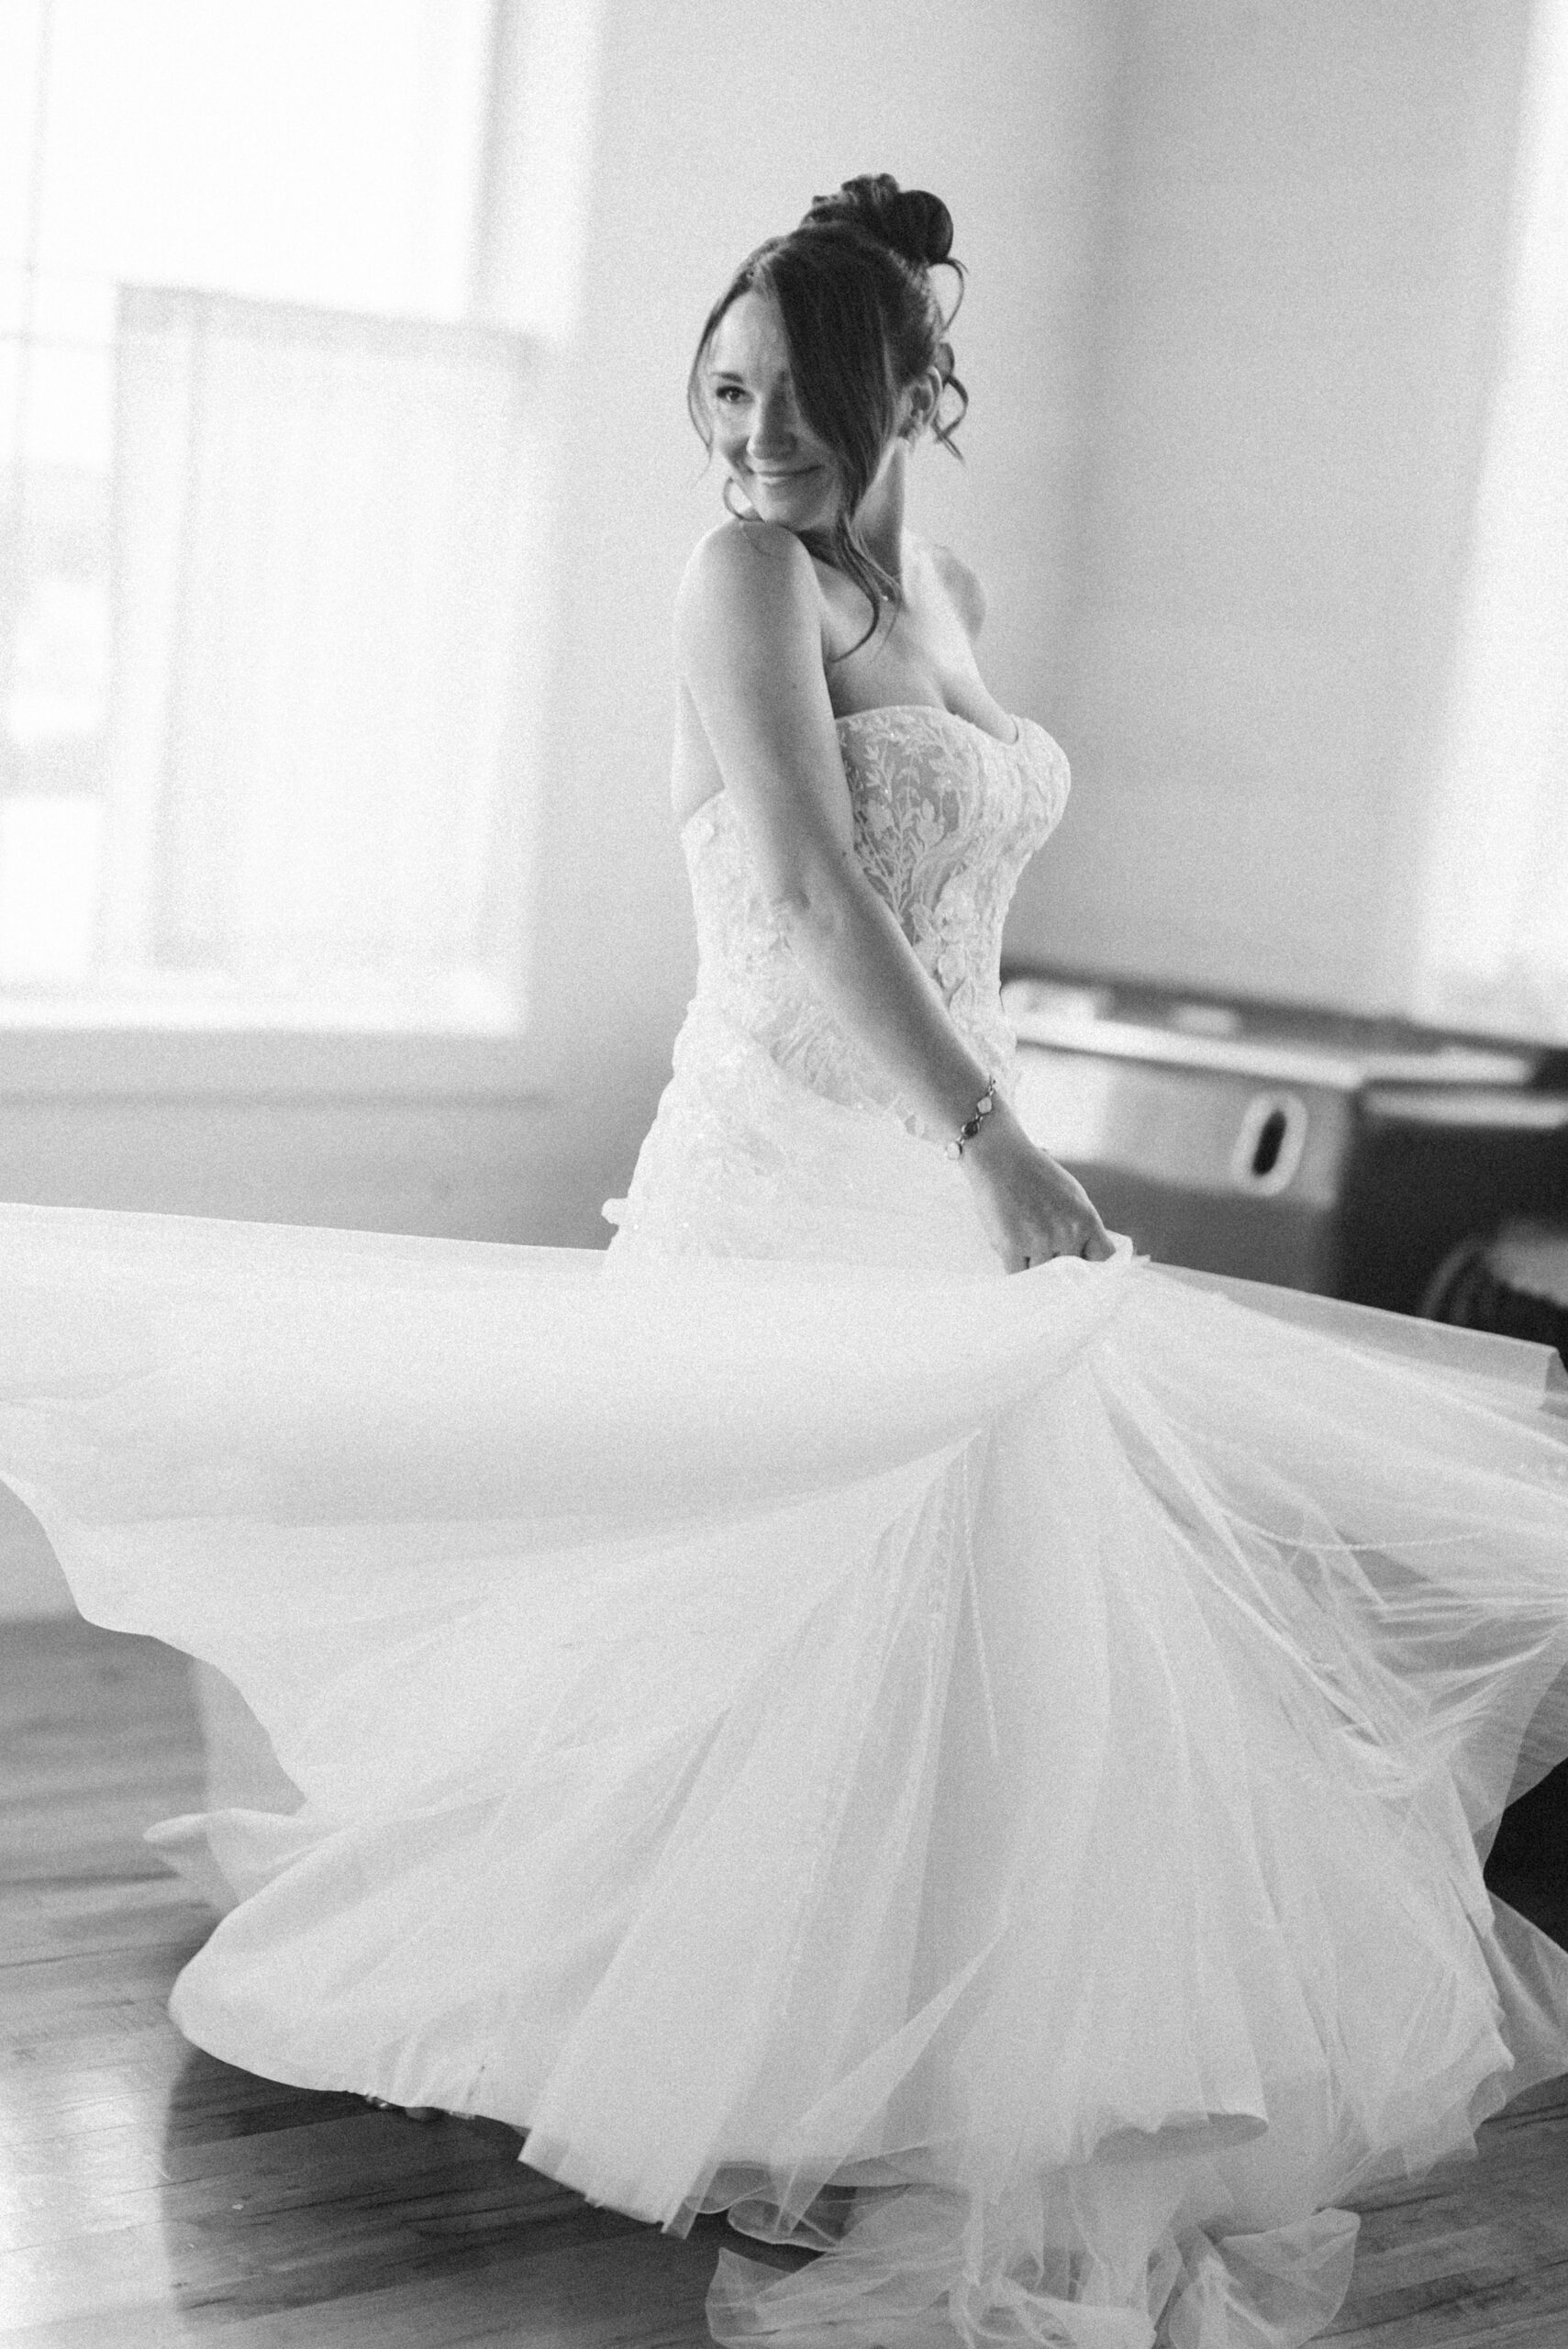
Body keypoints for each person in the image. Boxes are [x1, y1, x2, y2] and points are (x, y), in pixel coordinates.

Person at [1, 175, 1566, 2349]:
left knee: (953, 1631)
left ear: (909, 387)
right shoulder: (740, 577)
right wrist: (1006, 1151)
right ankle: (655, 2021)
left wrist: (984, 1158)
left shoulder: (951, 578)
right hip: (797, 1158)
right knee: (742, 1627)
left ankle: (899, 2037)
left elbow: (956, 900)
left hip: (937, 1161)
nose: (750, 440)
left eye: (794, 397)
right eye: (721, 395)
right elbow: (823, 895)